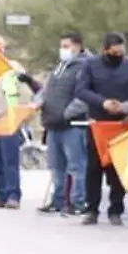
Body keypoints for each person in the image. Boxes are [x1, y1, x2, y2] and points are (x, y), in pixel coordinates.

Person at [75, 32, 128, 225]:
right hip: (98, 124)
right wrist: (102, 102)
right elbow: (81, 91)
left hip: (122, 125)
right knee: (93, 168)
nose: (117, 54)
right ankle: (91, 210)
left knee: (117, 169)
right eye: (113, 51)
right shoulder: (90, 65)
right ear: (104, 50)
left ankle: (116, 209)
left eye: (120, 51)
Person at [0, 35, 37, 209]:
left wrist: (20, 116)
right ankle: (1, 195)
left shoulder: (12, 68)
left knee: (9, 161)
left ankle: (13, 195)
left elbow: (24, 93)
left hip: (8, 121)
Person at [36, 32, 92, 215]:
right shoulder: (60, 67)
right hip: (53, 124)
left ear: (77, 46)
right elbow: (46, 90)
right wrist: (37, 103)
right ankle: (58, 199)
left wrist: (66, 113)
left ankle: (78, 201)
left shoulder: (85, 66)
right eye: (62, 46)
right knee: (56, 166)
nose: (63, 50)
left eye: (67, 46)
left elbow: (84, 96)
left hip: (73, 124)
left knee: (76, 166)